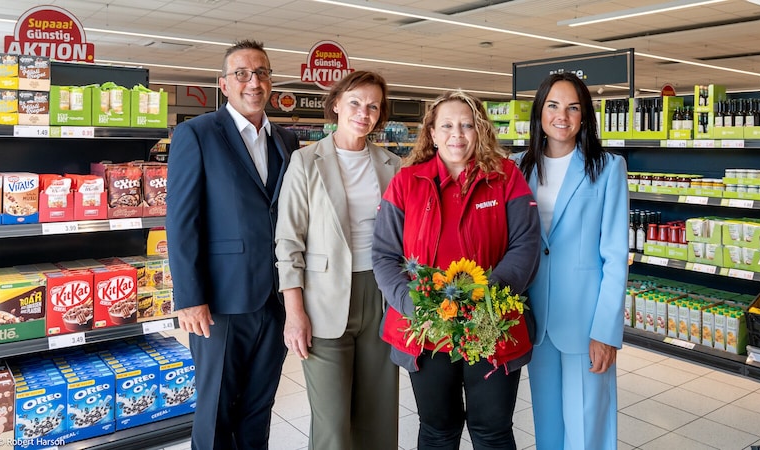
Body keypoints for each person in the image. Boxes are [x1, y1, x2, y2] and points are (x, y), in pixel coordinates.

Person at [372, 89, 541, 449]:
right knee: (437, 428)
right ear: (432, 133)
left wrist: (486, 299)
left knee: (492, 429)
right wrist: (411, 303)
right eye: (446, 125)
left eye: (467, 125)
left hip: (492, 325)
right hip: (426, 330)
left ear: (479, 131)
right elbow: (384, 254)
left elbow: (525, 245)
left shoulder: (506, 177)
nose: (457, 134)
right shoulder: (406, 182)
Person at [166, 39, 299, 450]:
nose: (253, 81)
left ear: (271, 81)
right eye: (242, 73)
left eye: (261, 73)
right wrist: (190, 297)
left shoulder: (287, 142)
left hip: (274, 302)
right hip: (220, 302)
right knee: (217, 409)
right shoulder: (197, 134)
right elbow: (181, 221)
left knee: (259, 407)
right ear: (224, 84)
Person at [275, 70, 401, 450]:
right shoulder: (305, 161)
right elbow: (288, 241)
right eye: (355, 103)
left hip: (379, 296)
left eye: (373, 106)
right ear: (336, 105)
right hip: (324, 300)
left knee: (379, 416)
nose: (364, 113)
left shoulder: (393, 165)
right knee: (332, 424)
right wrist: (294, 314)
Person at [518, 72, 629, 450]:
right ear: (539, 112)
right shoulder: (519, 167)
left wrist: (606, 330)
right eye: (552, 105)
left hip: (585, 322)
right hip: (536, 318)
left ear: (584, 116)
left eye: (572, 107)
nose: (561, 115)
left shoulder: (607, 168)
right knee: (547, 426)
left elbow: (615, 256)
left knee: (586, 428)